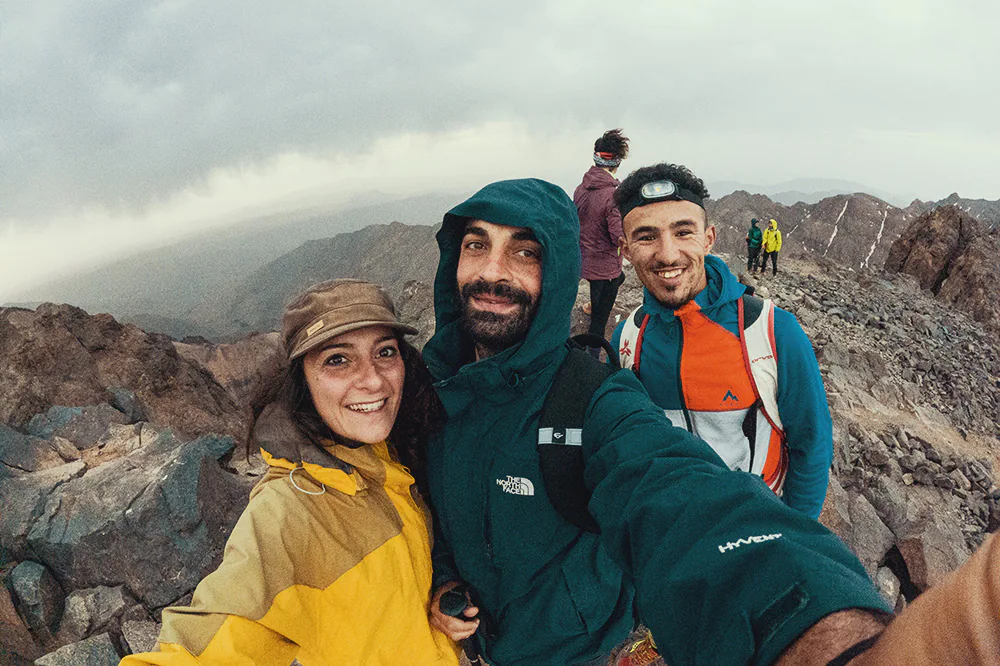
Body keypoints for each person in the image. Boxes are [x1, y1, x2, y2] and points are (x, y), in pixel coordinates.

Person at [421, 178, 892, 666]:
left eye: (526, 252)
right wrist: (444, 577)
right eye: (477, 244)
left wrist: (802, 601)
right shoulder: (425, 393)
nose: (493, 270)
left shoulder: (765, 334)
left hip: (604, 624)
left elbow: (659, 474)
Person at [121, 280, 459, 665]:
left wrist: (438, 601)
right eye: (337, 359)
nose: (373, 379)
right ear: (303, 380)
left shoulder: (393, 456)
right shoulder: (289, 511)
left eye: (385, 352)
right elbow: (213, 640)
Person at [610, 164, 831, 519]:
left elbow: (811, 443)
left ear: (709, 238)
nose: (667, 254)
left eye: (683, 232)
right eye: (646, 236)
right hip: (668, 528)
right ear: (625, 249)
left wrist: (793, 536)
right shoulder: (627, 338)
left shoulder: (771, 330)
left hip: (753, 523)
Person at [574, 129, 629, 342]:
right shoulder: (612, 195)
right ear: (617, 162)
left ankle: (591, 304)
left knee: (618, 280)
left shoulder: (581, 188)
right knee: (599, 321)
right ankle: (594, 358)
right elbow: (618, 236)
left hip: (584, 259)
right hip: (605, 267)